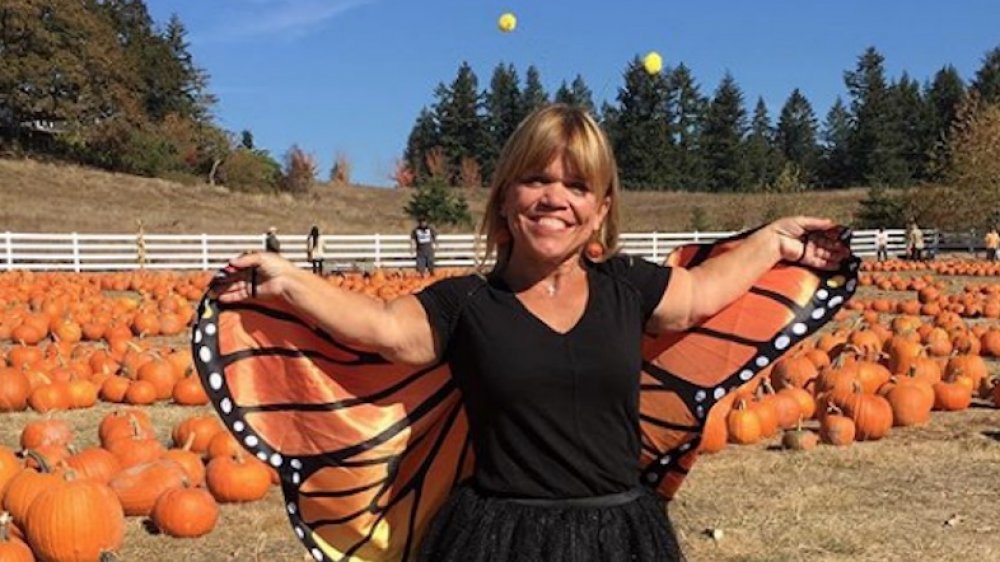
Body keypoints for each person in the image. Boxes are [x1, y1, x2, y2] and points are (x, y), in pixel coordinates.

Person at [210, 104, 849, 561]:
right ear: (506, 198)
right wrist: (286, 281)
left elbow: (701, 296)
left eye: (577, 185)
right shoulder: (465, 305)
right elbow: (379, 329)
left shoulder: (629, 286)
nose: (554, 198)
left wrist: (772, 240)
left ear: (601, 209)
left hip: (619, 537)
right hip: (496, 539)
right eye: (537, 179)